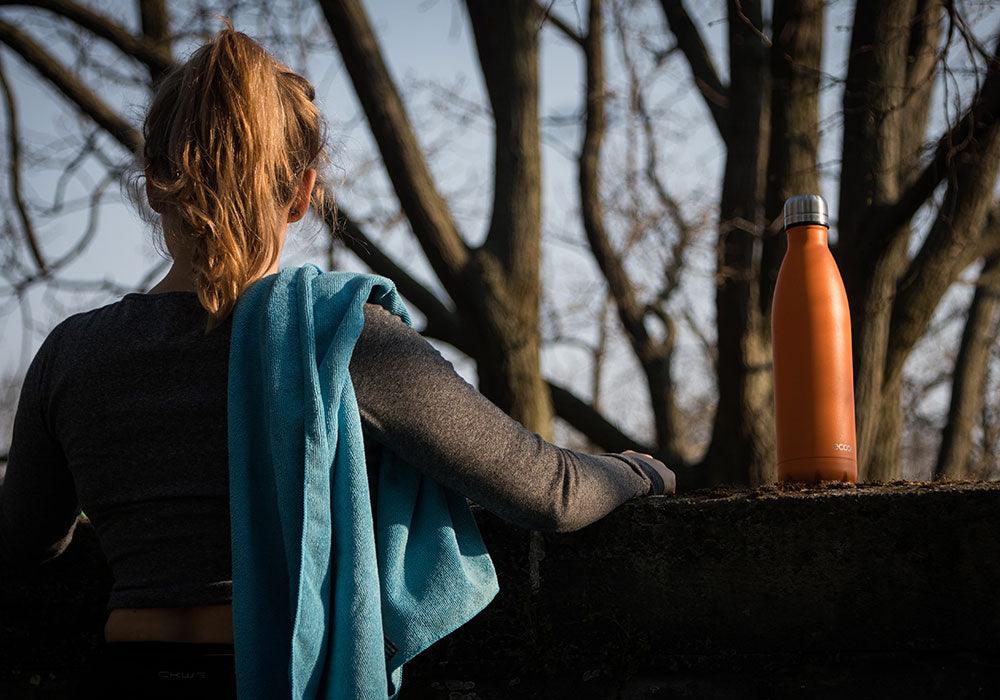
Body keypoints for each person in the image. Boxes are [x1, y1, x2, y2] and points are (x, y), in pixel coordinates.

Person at [0, 21, 676, 699]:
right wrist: (638, 471)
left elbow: (27, 541)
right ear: (303, 193)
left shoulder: (72, 354)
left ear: (154, 183)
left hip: (122, 675)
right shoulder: (345, 336)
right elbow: (550, 493)